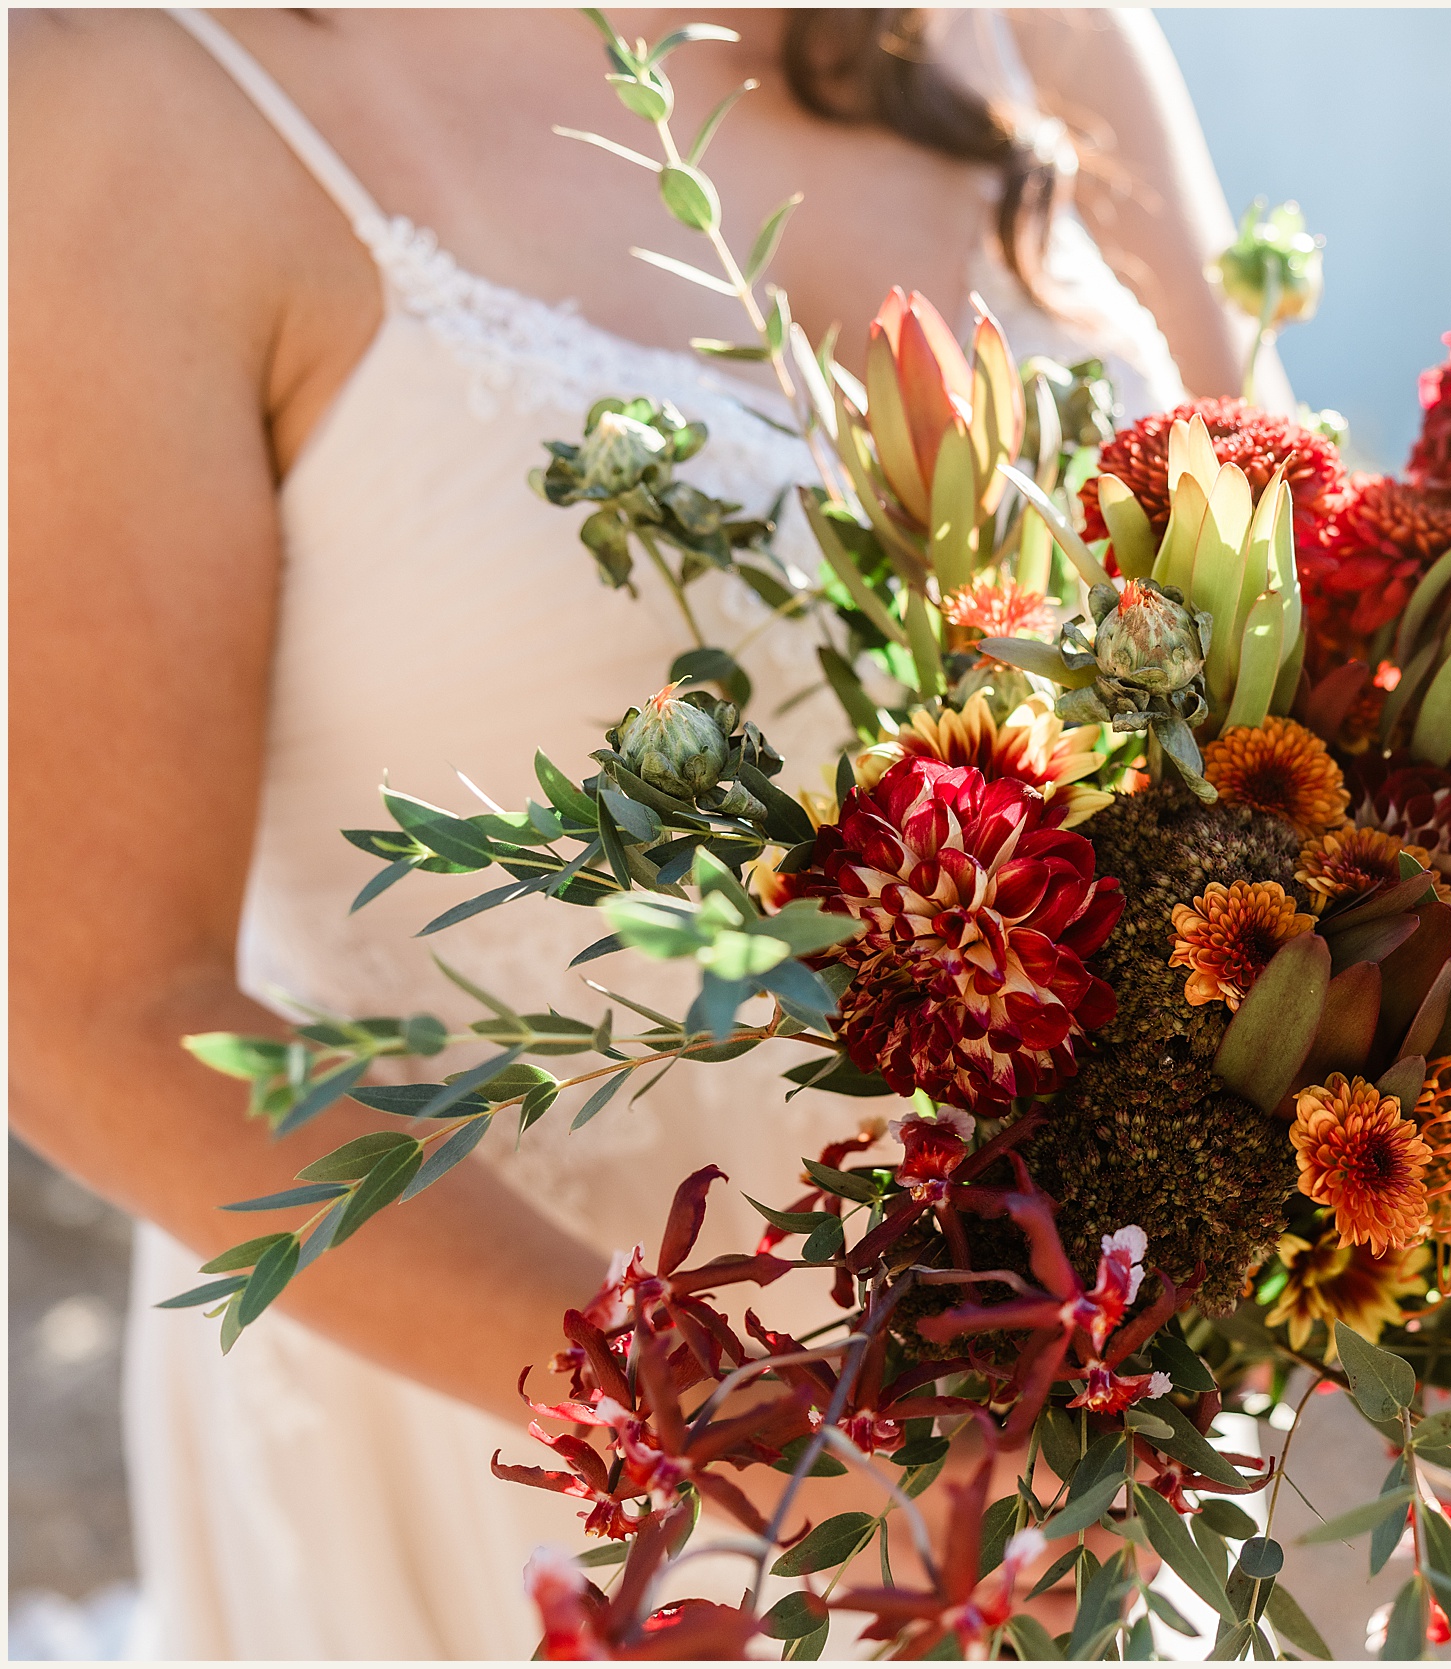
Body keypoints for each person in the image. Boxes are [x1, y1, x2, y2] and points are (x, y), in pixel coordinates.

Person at [8, 8, 1269, 1655]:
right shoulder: (128, 110)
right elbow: (88, 1003)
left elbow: (1305, 649)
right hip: (525, 1454)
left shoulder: (1040, 32)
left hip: (1096, 1420)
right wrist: (750, 1438)